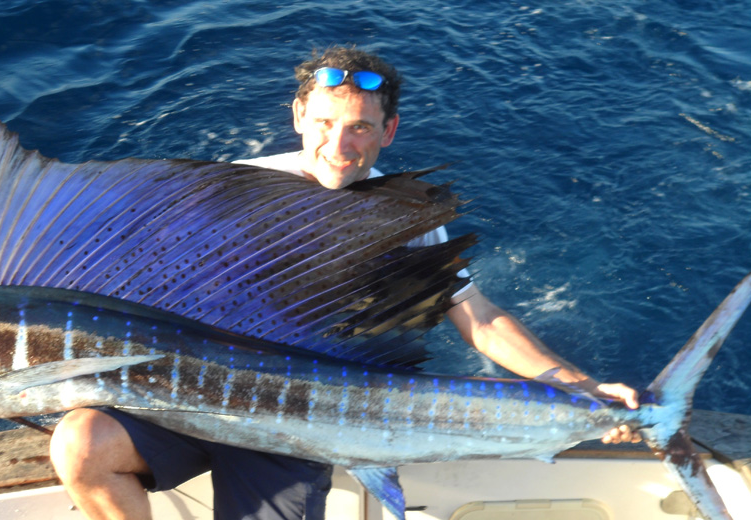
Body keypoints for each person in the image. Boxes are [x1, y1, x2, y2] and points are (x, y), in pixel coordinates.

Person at [49, 46, 642, 520]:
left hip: (299, 421)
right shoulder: (234, 191)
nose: (340, 144)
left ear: (388, 131)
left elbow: (476, 315)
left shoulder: (404, 220)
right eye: (326, 122)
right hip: (186, 397)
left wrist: (580, 385)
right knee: (81, 445)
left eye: (360, 127)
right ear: (299, 116)